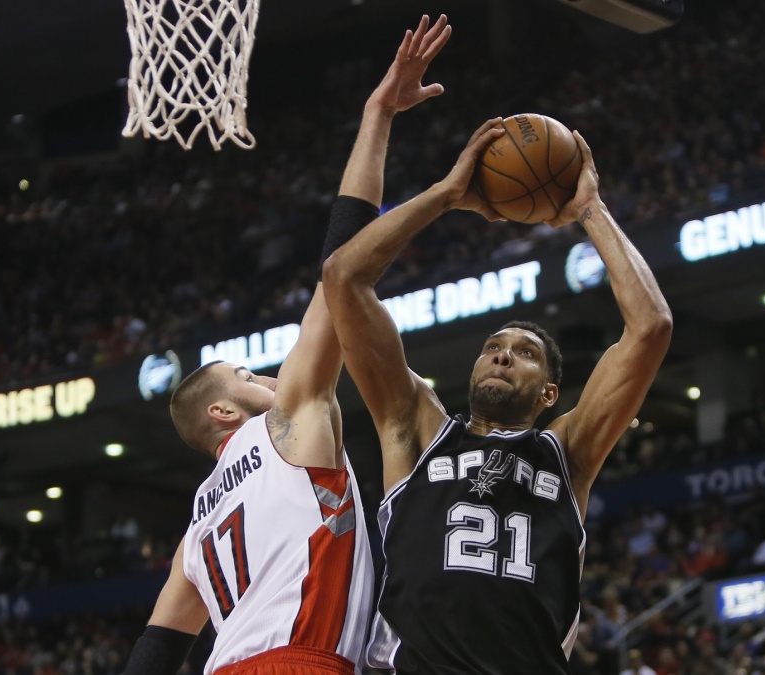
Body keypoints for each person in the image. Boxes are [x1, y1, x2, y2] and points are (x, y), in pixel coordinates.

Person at [122, 15, 452, 675]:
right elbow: (341, 269)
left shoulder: (197, 529)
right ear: (222, 411)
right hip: (298, 661)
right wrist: (378, 116)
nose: (269, 375)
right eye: (246, 373)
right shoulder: (284, 422)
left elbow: (155, 651)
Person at [323, 119, 672, 672]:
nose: (503, 355)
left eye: (524, 352)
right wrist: (445, 195)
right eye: (493, 347)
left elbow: (650, 328)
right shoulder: (417, 430)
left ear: (549, 394)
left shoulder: (567, 453)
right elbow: (343, 276)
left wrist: (590, 209)